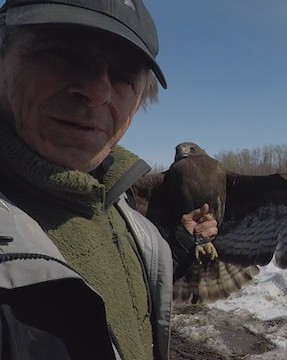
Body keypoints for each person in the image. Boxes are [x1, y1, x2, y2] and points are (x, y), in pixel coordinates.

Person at [0, 0, 217, 359]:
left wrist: (178, 242)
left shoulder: (111, 196)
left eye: (122, 75)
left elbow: (116, 277)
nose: (98, 92)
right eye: (63, 53)